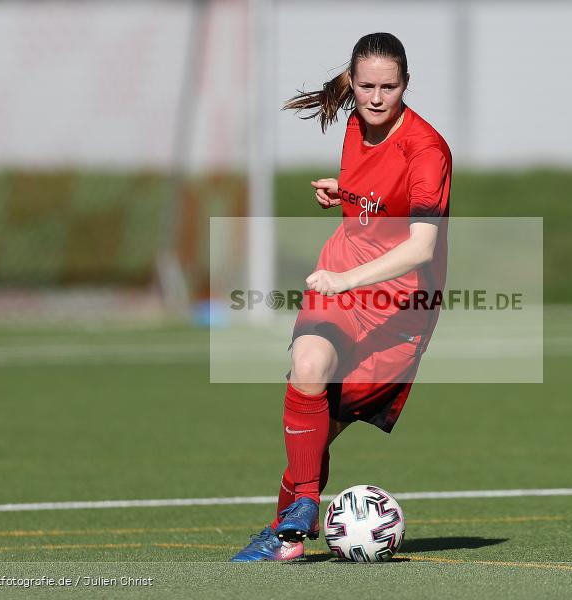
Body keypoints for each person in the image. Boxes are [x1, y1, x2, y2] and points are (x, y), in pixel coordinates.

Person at [231, 32, 452, 562]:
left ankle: (283, 530)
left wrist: (349, 282)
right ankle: (299, 515)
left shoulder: (427, 150)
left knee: (318, 434)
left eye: (389, 88)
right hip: (342, 274)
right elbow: (378, 202)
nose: (376, 99)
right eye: (366, 85)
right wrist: (347, 195)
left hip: (399, 312)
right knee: (309, 365)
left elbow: (421, 247)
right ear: (352, 82)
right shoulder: (355, 122)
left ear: (407, 84)